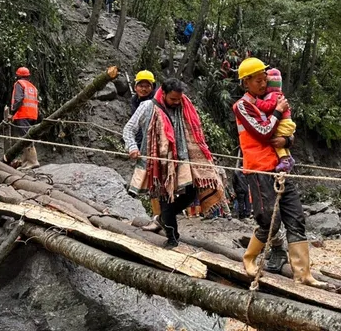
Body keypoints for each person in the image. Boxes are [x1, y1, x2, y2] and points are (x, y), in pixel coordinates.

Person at [233, 57, 322, 286]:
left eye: (265, 80)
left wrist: (288, 139)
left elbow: (284, 134)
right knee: (269, 221)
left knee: (296, 217)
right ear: (246, 83)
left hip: (281, 166)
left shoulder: (272, 101)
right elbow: (262, 133)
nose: (263, 85)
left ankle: (303, 274)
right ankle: (249, 258)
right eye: (258, 81)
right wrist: (277, 112)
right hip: (259, 169)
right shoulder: (242, 106)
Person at [124, 78, 224, 248]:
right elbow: (128, 129)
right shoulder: (147, 107)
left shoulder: (185, 105)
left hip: (183, 159)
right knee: (166, 198)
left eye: (179, 99)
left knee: (191, 193)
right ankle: (172, 238)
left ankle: (163, 218)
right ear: (163, 93)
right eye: (173, 99)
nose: (177, 102)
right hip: (160, 163)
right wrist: (132, 147)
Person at [255, 68, 296, 172]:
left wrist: (257, 102)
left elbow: (268, 106)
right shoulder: (279, 95)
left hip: (283, 123)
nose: (263, 85)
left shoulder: (273, 96)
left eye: (265, 81)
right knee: (279, 139)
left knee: (276, 140)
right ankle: (288, 158)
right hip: (287, 122)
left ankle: (284, 160)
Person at [10, 67, 40, 170]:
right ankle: (25, 162)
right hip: (33, 114)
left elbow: (18, 99)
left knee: (26, 137)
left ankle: (33, 161)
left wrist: (12, 112)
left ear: (18, 75)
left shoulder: (19, 84)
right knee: (26, 136)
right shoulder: (32, 86)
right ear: (28, 76)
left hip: (23, 113)